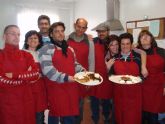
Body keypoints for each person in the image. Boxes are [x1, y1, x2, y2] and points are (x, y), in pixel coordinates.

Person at [38, 22, 85, 124]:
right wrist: (69, 78)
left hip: (71, 89)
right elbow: (49, 72)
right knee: (55, 117)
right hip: (56, 90)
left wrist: (83, 71)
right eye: (57, 31)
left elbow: (74, 64)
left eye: (62, 31)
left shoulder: (69, 49)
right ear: (51, 34)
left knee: (70, 118)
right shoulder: (45, 50)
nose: (60, 34)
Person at [0, 25, 40, 124]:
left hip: (27, 101)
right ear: (4, 36)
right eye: (13, 34)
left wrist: (15, 75)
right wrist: (25, 78)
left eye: (18, 34)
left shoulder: (26, 55)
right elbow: (1, 80)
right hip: (8, 103)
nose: (16, 37)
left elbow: (36, 73)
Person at [109, 33, 143, 124]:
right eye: (123, 44)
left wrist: (139, 79)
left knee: (132, 118)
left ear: (131, 44)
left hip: (134, 95)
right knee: (120, 117)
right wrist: (108, 70)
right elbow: (110, 75)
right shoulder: (114, 58)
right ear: (120, 45)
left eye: (127, 43)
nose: (125, 46)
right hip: (119, 94)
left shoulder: (138, 58)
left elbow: (143, 75)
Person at [67, 18, 95, 123]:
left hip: (83, 77)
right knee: (68, 104)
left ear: (86, 29)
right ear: (75, 25)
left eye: (83, 28)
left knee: (80, 104)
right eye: (79, 26)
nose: (80, 30)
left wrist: (90, 79)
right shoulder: (66, 39)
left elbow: (91, 61)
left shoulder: (89, 42)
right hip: (69, 77)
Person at [137, 30, 165, 124]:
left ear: (152, 38)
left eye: (147, 36)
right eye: (141, 36)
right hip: (141, 87)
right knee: (141, 114)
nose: (144, 38)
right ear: (139, 40)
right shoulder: (136, 52)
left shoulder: (161, 52)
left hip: (156, 88)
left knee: (153, 115)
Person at [90, 22, 113, 124]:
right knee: (94, 98)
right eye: (99, 32)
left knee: (106, 99)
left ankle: (106, 116)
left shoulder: (113, 41)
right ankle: (95, 117)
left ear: (108, 32)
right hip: (95, 75)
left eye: (103, 31)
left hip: (108, 76)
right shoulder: (93, 42)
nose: (101, 33)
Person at [23, 30, 47, 124]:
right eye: (30, 38)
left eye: (35, 38)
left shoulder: (42, 55)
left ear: (39, 41)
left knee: (39, 114)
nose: (33, 40)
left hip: (40, 88)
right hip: (27, 88)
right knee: (27, 113)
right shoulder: (21, 53)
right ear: (26, 41)